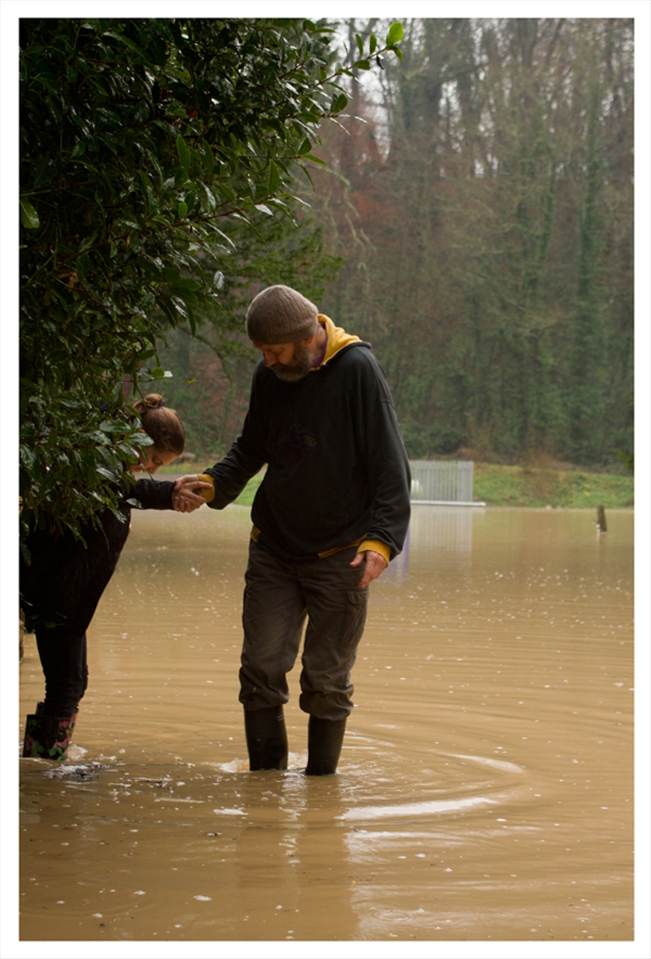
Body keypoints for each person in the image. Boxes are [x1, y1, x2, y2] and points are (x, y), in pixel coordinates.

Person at [174, 285, 411, 775]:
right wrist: (214, 484)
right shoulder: (272, 374)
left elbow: (390, 466)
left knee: (326, 679)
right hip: (274, 549)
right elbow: (251, 446)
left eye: (275, 350)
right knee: (260, 668)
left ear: (307, 338)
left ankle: (321, 791)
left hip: (342, 553)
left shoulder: (358, 371)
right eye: (261, 351)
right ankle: (266, 791)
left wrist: (383, 542)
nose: (267, 360)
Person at [20, 394, 197, 761]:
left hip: (67, 600)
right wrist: (168, 491)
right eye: (153, 460)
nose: (150, 468)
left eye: (159, 466)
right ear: (137, 438)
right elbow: (121, 490)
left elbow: (123, 495)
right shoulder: (95, 463)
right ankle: (43, 766)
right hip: (56, 596)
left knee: (73, 682)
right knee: (66, 685)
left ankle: (46, 762)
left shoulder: (105, 465)